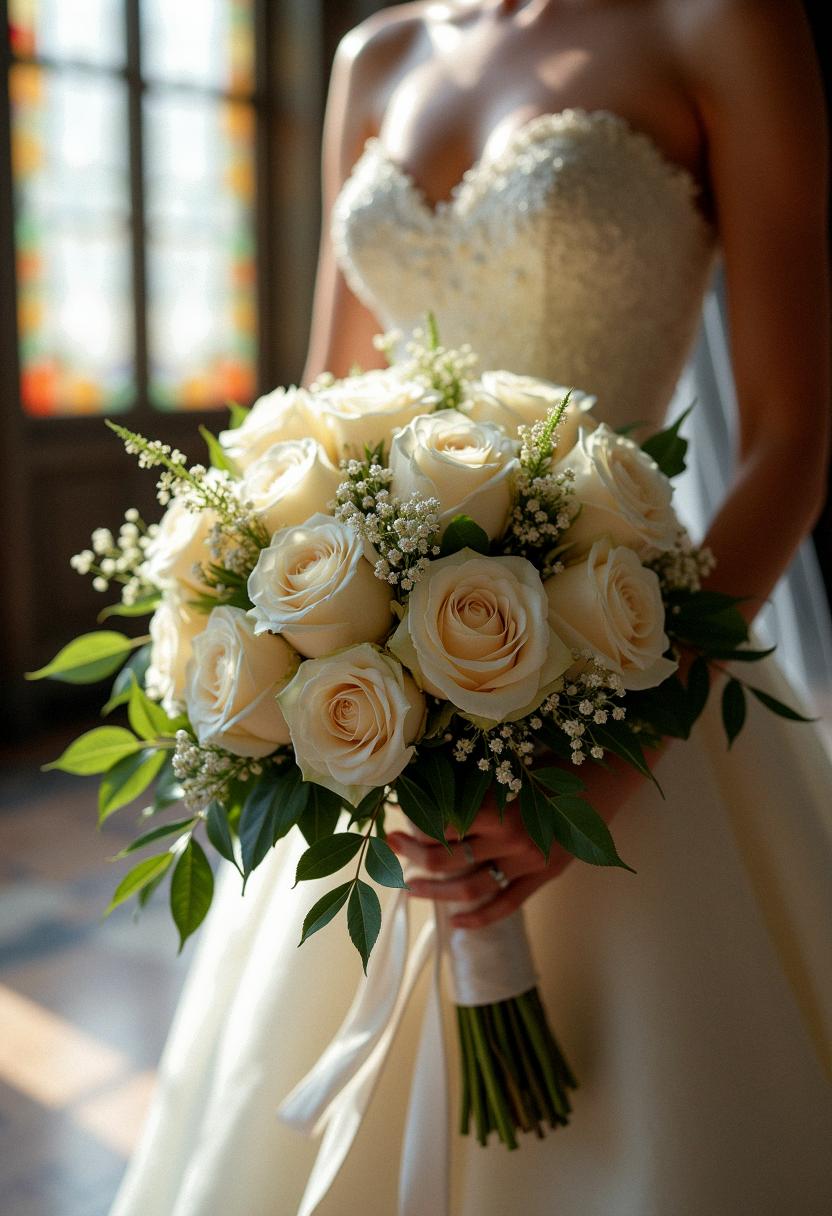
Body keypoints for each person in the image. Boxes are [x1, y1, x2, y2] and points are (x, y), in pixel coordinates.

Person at [110, 2, 832, 1213]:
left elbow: (791, 436)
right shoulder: (375, 54)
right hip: (372, 676)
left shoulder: (720, 21)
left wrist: (624, 755)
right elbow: (329, 395)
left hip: (634, 659)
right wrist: (295, 632)